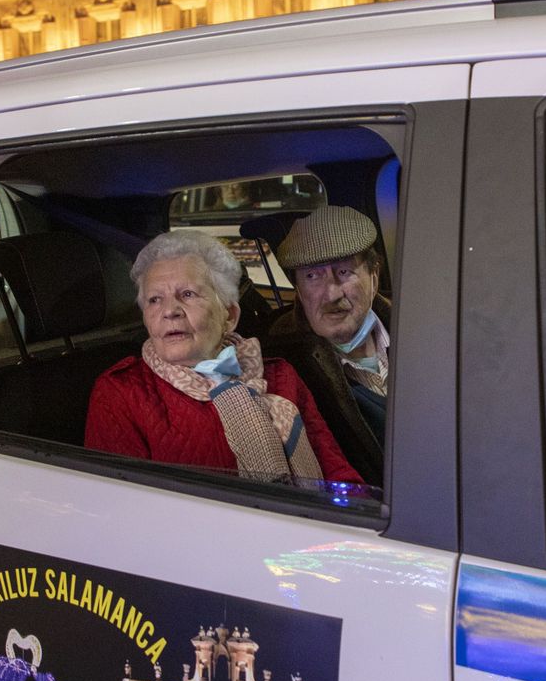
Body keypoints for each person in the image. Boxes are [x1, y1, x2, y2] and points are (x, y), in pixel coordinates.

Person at [85, 230, 360, 486]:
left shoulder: (279, 375)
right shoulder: (121, 393)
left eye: (187, 294)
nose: (169, 311)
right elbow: (123, 507)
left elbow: (337, 473)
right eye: (154, 299)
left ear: (229, 316)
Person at [268, 206, 389, 484]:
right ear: (299, 291)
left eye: (344, 271)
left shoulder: (423, 330)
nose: (331, 293)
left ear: (374, 276)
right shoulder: (285, 369)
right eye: (312, 276)